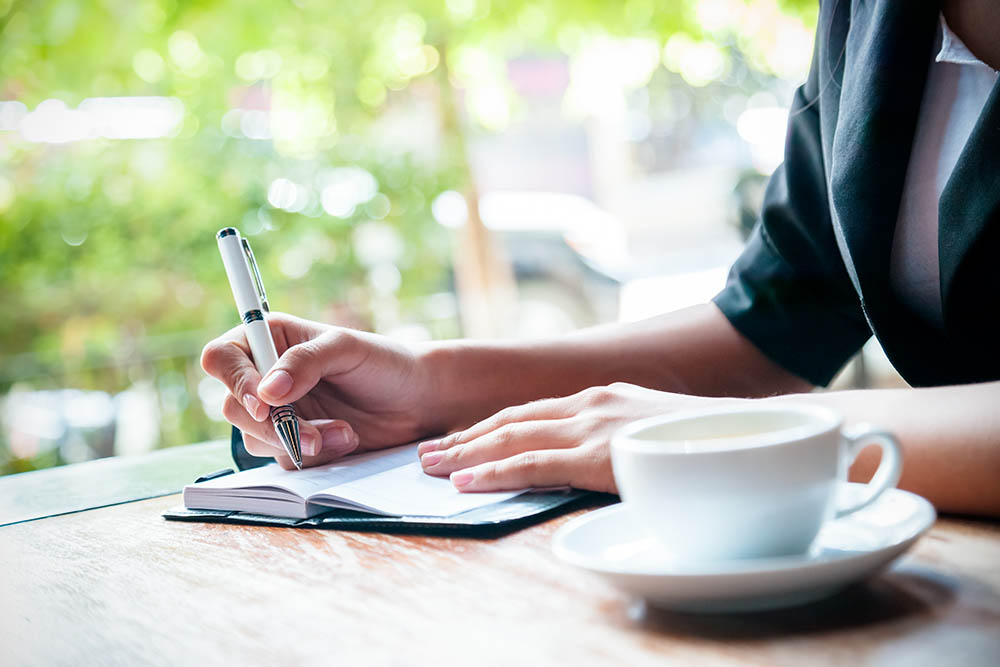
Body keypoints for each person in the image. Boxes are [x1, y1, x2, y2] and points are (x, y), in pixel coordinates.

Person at [202, 0, 1000, 517]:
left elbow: (743, 393)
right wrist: (426, 387)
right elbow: (777, 322)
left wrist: (721, 438)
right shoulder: (869, 15)